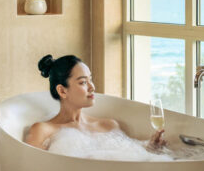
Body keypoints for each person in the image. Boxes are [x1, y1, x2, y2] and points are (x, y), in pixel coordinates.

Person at [26, 54, 167, 153]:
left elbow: (131, 158)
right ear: (62, 91)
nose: (92, 87)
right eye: (83, 82)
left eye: (90, 79)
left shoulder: (109, 125)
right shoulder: (43, 130)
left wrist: (150, 148)